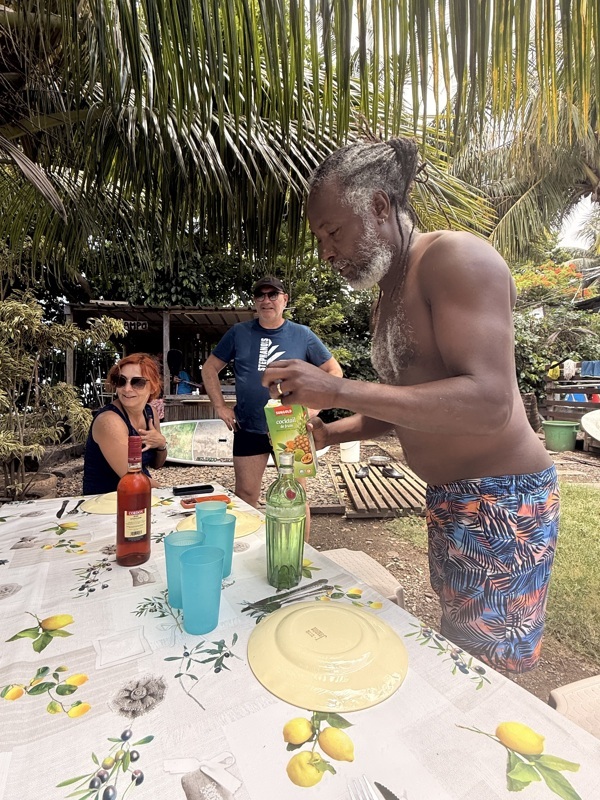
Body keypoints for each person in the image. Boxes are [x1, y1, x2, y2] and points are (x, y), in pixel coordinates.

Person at [261, 137, 559, 674]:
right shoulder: (389, 292)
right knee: (458, 652)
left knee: (487, 674)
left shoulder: (455, 258)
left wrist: (336, 390)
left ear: (378, 206)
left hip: (504, 503)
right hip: (450, 500)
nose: (326, 252)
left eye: (333, 232)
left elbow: (489, 402)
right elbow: (413, 402)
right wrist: (334, 433)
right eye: (320, 238)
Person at [202, 275, 342, 521]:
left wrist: (314, 409)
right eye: (261, 295)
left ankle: (299, 558)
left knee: (295, 496)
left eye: (273, 294)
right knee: (245, 495)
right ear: (255, 301)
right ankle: (248, 555)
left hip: (292, 429)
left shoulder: (303, 334)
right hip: (248, 427)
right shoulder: (239, 332)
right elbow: (209, 368)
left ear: (284, 299)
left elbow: (334, 371)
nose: (266, 300)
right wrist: (220, 406)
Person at [83, 353, 168, 494]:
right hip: (106, 502)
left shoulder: (150, 412)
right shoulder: (109, 421)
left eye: (137, 382)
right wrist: (169, 493)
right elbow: (135, 479)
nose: (127, 389)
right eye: (121, 381)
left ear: (153, 387)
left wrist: (161, 444)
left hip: (139, 495)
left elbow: (157, 464)